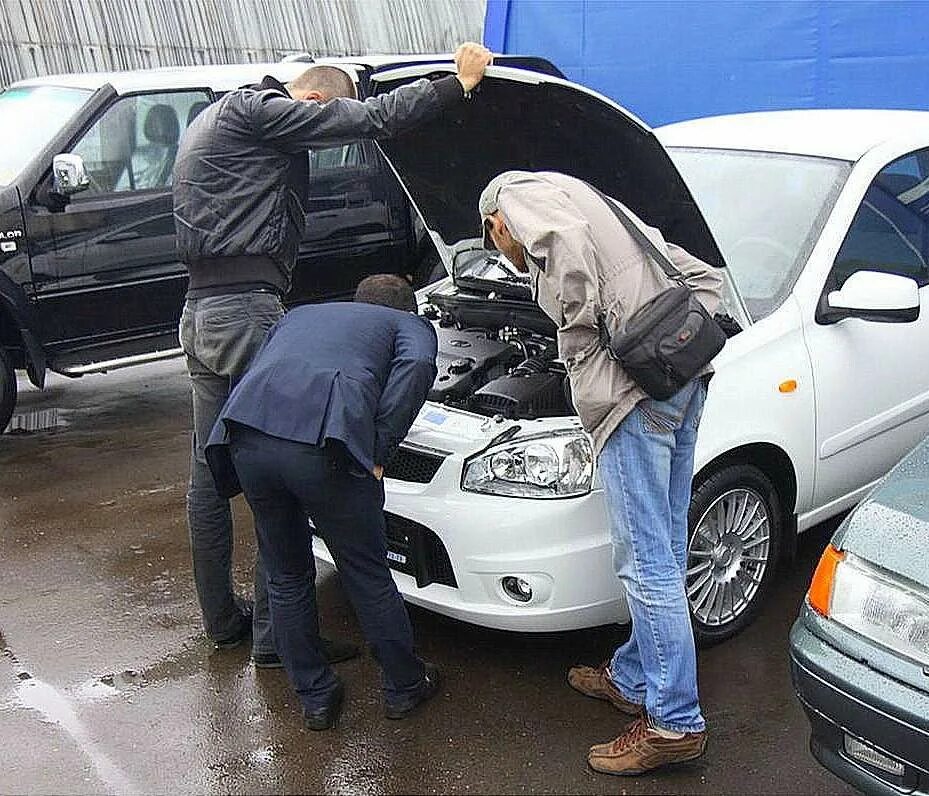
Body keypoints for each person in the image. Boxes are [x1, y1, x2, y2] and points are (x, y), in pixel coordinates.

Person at [173, 43, 493, 663]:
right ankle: (278, 640)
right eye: (323, 121)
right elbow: (371, 119)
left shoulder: (212, 121)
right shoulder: (258, 112)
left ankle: (224, 620)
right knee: (282, 470)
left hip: (200, 312)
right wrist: (458, 86)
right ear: (315, 101)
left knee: (210, 476)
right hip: (245, 312)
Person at [478, 172, 724, 776]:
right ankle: (637, 676)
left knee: (643, 562)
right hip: (681, 377)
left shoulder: (515, 196)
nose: (510, 258)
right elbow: (697, 271)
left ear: (495, 224)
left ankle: (674, 722)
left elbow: (564, 253)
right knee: (662, 546)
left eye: (501, 249)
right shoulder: (602, 203)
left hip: (632, 395)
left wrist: (584, 337)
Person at [204, 274, 439, 730]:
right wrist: (377, 450)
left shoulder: (303, 314)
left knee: (287, 574)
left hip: (247, 436)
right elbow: (414, 370)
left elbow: (259, 367)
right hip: (323, 447)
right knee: (365, 571)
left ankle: (315, 694)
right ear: (406, 308)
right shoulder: (408, 325)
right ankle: (404, 685)